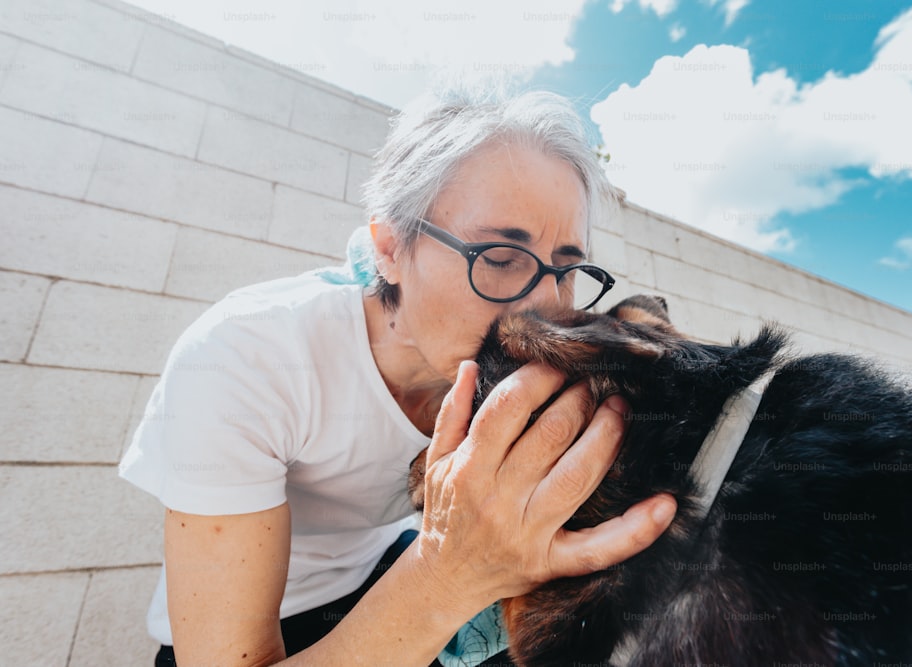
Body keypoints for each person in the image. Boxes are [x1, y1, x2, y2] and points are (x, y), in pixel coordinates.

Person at [119, 86, 677, 667]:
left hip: (382, 568)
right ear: (389, 248)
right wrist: (449, 572)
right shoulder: (247, 356)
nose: (543, 305)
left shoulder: (526, 375)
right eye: (499, 257)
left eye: (566, 270)